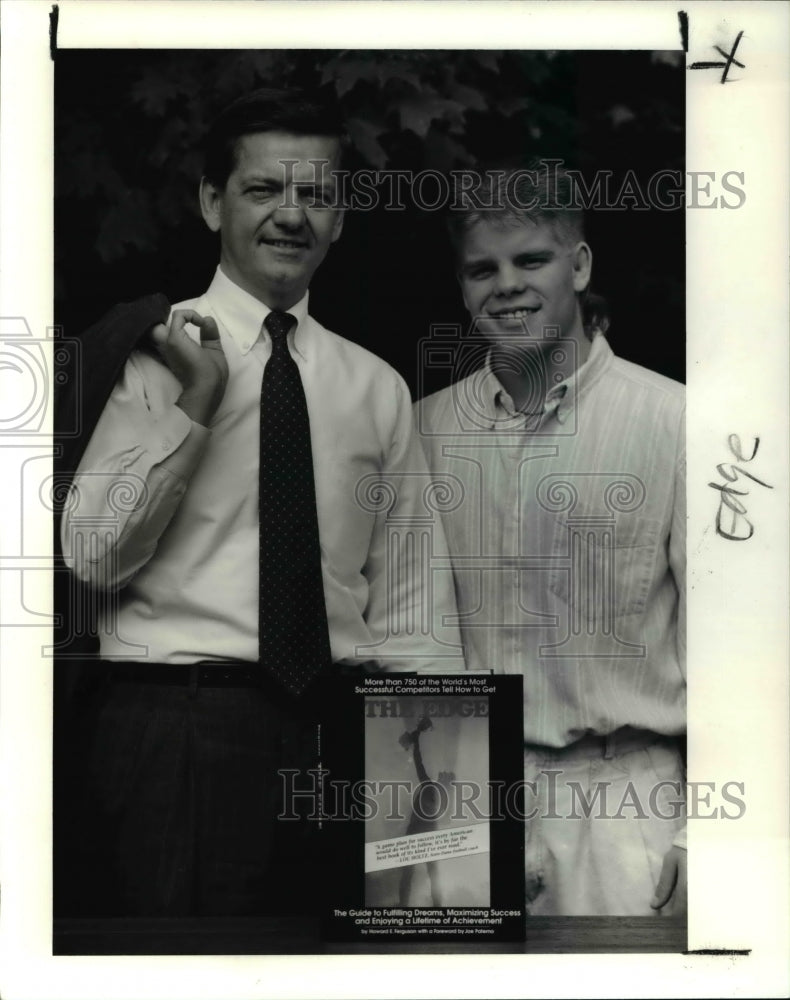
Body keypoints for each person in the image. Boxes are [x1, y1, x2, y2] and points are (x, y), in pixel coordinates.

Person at [55, 87, 462, 919]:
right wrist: (197, 404)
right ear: (212, 201)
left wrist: (441, 827)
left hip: (337, 737)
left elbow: (416, 613)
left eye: (315, 194)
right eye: (263, 189)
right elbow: (92, 555)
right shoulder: (151, 356)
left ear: (341, 216)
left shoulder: (374, 386)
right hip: (176, 734)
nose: (292, 215)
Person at [416, 160, 686, 917]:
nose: (506, 284)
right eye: (482, 269)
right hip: (467, 800)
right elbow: (413, 634)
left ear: (580, 264)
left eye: (530, 259)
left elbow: (737, 654)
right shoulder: (425, 430)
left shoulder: (677, 423)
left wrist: (710, 833)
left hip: (626, 809)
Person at [397, 715, 455, 907]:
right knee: (429, 872)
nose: (441, 774)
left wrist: (417, 738)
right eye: (444, 775)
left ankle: (408, 905)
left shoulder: (430, 787)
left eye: (444, 775)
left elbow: (418, 761)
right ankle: (435, 906)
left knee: (411, 872)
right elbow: (418, 761)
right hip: (426, 834)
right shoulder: (442, 795)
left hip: (418, 832)